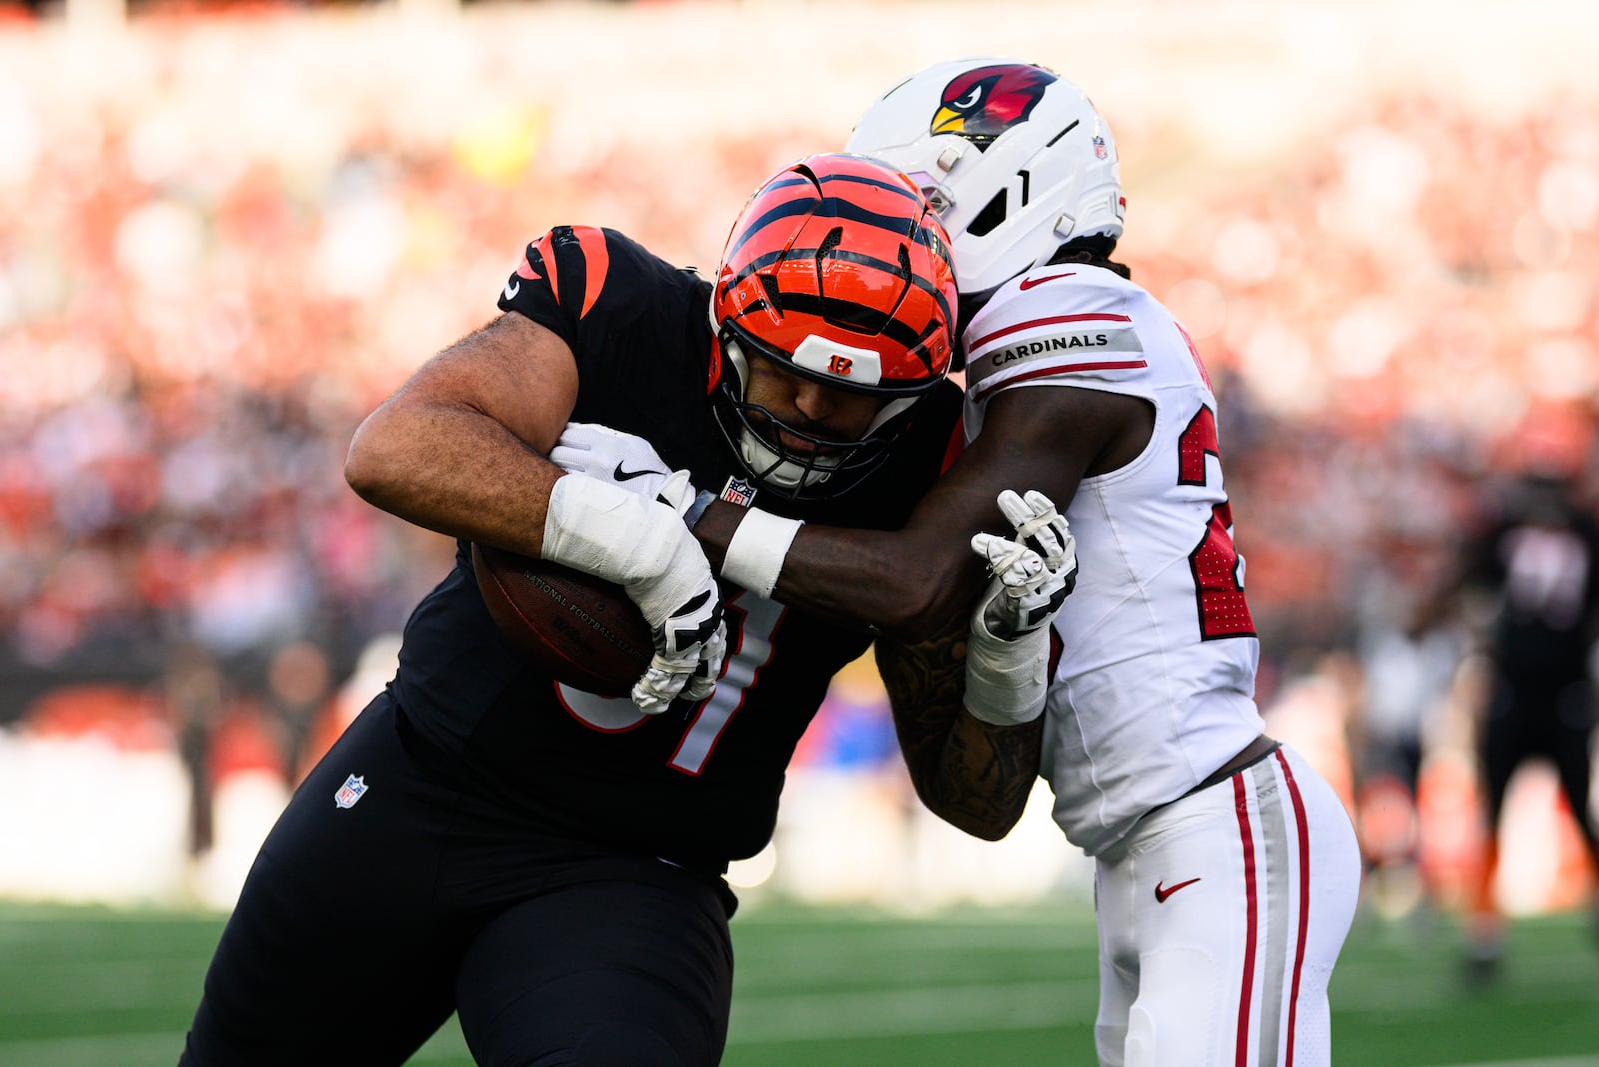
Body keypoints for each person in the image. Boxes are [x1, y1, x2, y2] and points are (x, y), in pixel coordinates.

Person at [177, 152, 1076, 1066]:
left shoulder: (928, 463)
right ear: (726, 326)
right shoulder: (624, 310)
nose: (809, 407)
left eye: (853, 395)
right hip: (420, 782)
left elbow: (980, 804)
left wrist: (1006, 657)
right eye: (781, 372)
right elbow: (395, 446)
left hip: (632, 871)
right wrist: (633, 538)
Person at [557, 58, 1364, 1066]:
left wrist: (683, 512)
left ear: (1012, 188)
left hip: (1214, 818)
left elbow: (912, 578)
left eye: (924, 204)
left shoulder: (1063, 310)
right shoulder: (1024, 352)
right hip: (1144, 839)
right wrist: (1003, 650)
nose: (906, 235)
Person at [1457, 466, 1599, 982]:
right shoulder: (1504, 539)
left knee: (1581, 810)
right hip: (1513, 692)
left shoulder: (1585, 537)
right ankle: (1484, 929)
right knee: (1493, 811)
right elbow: (1470, 575)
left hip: (1565, 694)